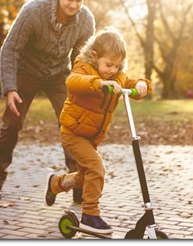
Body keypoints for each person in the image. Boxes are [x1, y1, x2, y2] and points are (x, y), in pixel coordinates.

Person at [0, 0, 95, 202]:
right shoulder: (33, 11)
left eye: (79, 0)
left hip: (59, 74)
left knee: (73, 124)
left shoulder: (86, 20)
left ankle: (78, 183)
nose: (74, 5)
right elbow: (10, 50)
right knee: (12, 124)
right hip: (26, 72)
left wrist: (83, 89)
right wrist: (10, 88)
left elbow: (81, 60)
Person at [43, 27, 152, 234]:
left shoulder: (118, 77)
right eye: (108, 65)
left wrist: (141, 85)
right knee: (96, 168)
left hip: (92, 137)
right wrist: (100, 83)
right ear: (95, 56)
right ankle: (90, 215)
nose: (112, 70)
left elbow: (131, 83)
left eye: (117, 66)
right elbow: (73, 82)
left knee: (86, 176)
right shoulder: (83, 68)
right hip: (72, 132)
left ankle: (57, 183)